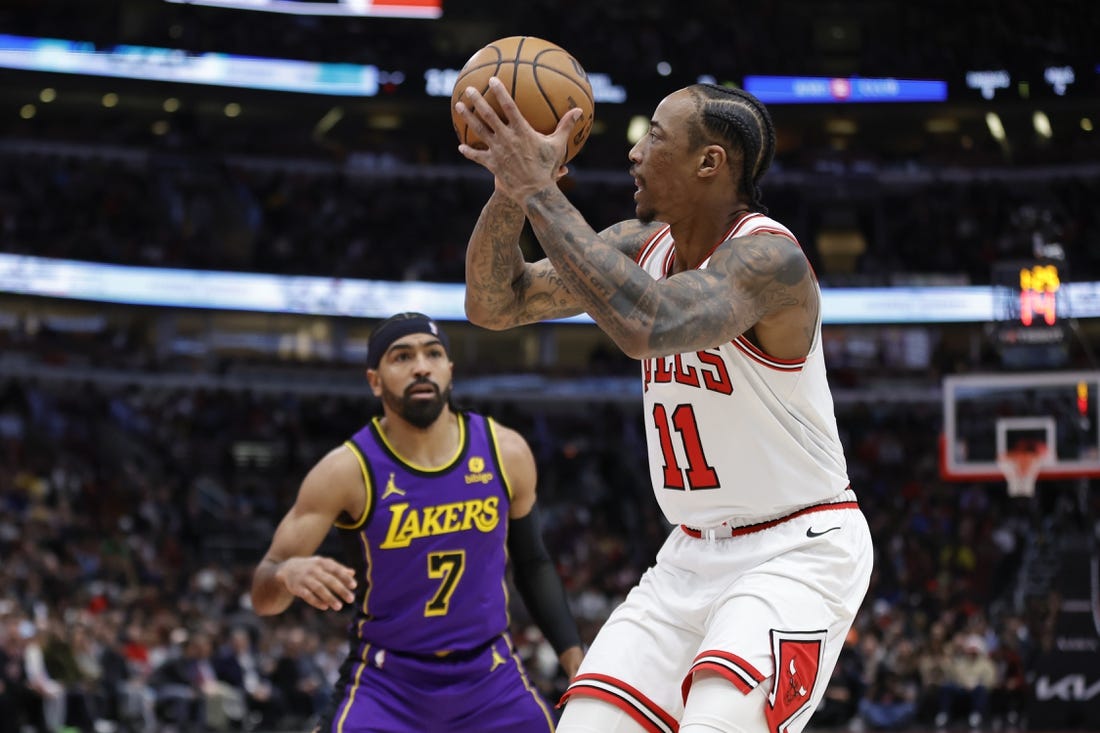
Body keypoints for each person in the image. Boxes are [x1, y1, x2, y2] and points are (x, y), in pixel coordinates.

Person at [455, 78, 874, 733]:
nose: (633, 153)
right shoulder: (638, 243)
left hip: (798, 547)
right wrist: (511, 190)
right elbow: (492, 301)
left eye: (653, 136)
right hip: (688, 557)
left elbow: (644, 323)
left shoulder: (771, 259)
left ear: (711, 162)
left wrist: (540, 189)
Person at [250, 312, 584, 732]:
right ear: (375, 380)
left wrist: (575, 657)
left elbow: (533, 562)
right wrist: (284, 575)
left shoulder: (505, 451)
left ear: (449, 370)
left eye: (433, 353)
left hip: (490, 676)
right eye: (402, 357)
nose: (421, 365)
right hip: (387, 683)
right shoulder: (345, 471)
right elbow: (262, 596)